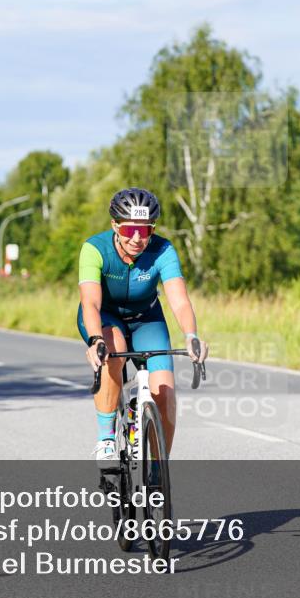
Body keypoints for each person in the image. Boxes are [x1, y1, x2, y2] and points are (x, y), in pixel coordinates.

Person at [78, 188, 208, 463]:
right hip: (106, 318)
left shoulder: (163, 250)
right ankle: (105, 439)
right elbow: (90, 302)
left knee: (166, 393)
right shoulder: (95, 248)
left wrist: (191, 335)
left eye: (145, 230)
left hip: (146, 319)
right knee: (113, 350)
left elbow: (180, 302)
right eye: (128, 231)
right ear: (115, 225)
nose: (137, 238)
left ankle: (159, 471)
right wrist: (94, 340)